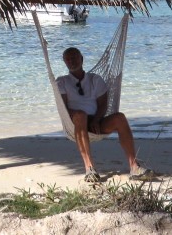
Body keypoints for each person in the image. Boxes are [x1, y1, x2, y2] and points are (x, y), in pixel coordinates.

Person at [57, 47, 154, 182]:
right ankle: (90, 168)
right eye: (68, 59)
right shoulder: (62, 81)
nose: (72, 61)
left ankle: (134, 166)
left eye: (74, 57)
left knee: (120, 118)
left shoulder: (95, 79)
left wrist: (96, 120)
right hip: (75, 122)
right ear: (64, 62)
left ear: (82, 59)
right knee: (81, 116)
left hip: (96, 121)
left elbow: (103, 104)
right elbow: (64, 107)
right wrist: (81, 116)